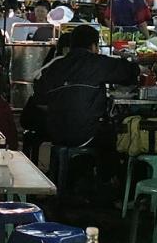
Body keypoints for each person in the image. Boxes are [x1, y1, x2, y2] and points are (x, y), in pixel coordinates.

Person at [32, 25, 138, 179]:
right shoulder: (97, 62)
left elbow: (39, 98)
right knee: (116, 134)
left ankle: (73, 178)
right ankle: (108, 185)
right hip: (86, 134)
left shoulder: (56, 66)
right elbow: (130, 72)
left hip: (55, 133)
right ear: (94, 46)